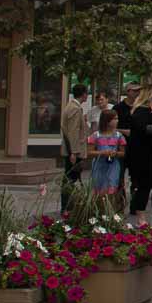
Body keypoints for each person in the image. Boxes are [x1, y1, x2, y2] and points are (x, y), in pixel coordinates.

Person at [125, 88, 152, 224]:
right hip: (143, 156)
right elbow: (142, 129)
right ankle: (141, 218)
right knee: (144, 186)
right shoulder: (140, 111)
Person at [58, 83, 90, 213]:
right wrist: (74, 152)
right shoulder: (75, 109)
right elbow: (73, 131)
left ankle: (69, 206)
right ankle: (66, 207)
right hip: (73, 151)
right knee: (70, 178)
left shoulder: (74, 107)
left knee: (72, 178)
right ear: (83, 94)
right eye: (86, 93)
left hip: (73, 149)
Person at [85, 109, 127, 205]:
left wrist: (115, 153)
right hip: (99, 165)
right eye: (114, 119)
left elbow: (123, 153)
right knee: (98, 188)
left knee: (112, 187)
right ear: (107, 121)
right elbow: (89, 152)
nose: (117, 121)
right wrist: (102, 153)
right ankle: (98, 210)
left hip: (113, 165)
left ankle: (111, 210)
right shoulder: (96, 135)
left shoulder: (118, 136)